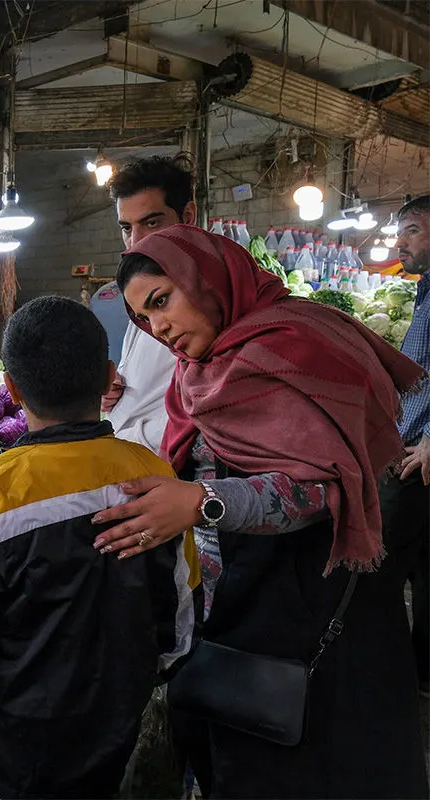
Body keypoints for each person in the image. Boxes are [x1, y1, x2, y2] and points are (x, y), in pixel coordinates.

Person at [94, 224, 428, 797]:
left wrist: (202, 502)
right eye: (144, 320)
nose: (160, 328)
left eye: (162, 301)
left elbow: (326, 488)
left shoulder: (296, 343)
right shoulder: (199, 371)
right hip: (246, 610)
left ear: (208, 279)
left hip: (318, 608)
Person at [0, 296, 200, 800]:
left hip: (8, 757)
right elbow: (180, 617)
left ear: (11, 388)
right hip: (110, 738)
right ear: (110, 377)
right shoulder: (152, 476)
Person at [101, 155, 193, 454]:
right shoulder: (146, 286)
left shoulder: (213, 298)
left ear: (188, 216)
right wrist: (113, 390)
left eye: (151, 222)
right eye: (127, 228)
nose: (137, 241)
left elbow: (201, 416)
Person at [382, 193, 430, 698]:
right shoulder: (424, 291)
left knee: (385, 565)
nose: (401, 241)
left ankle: (385, 676)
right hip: (412, 448)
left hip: (420, 454)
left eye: (412, 229)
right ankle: (416, 673)